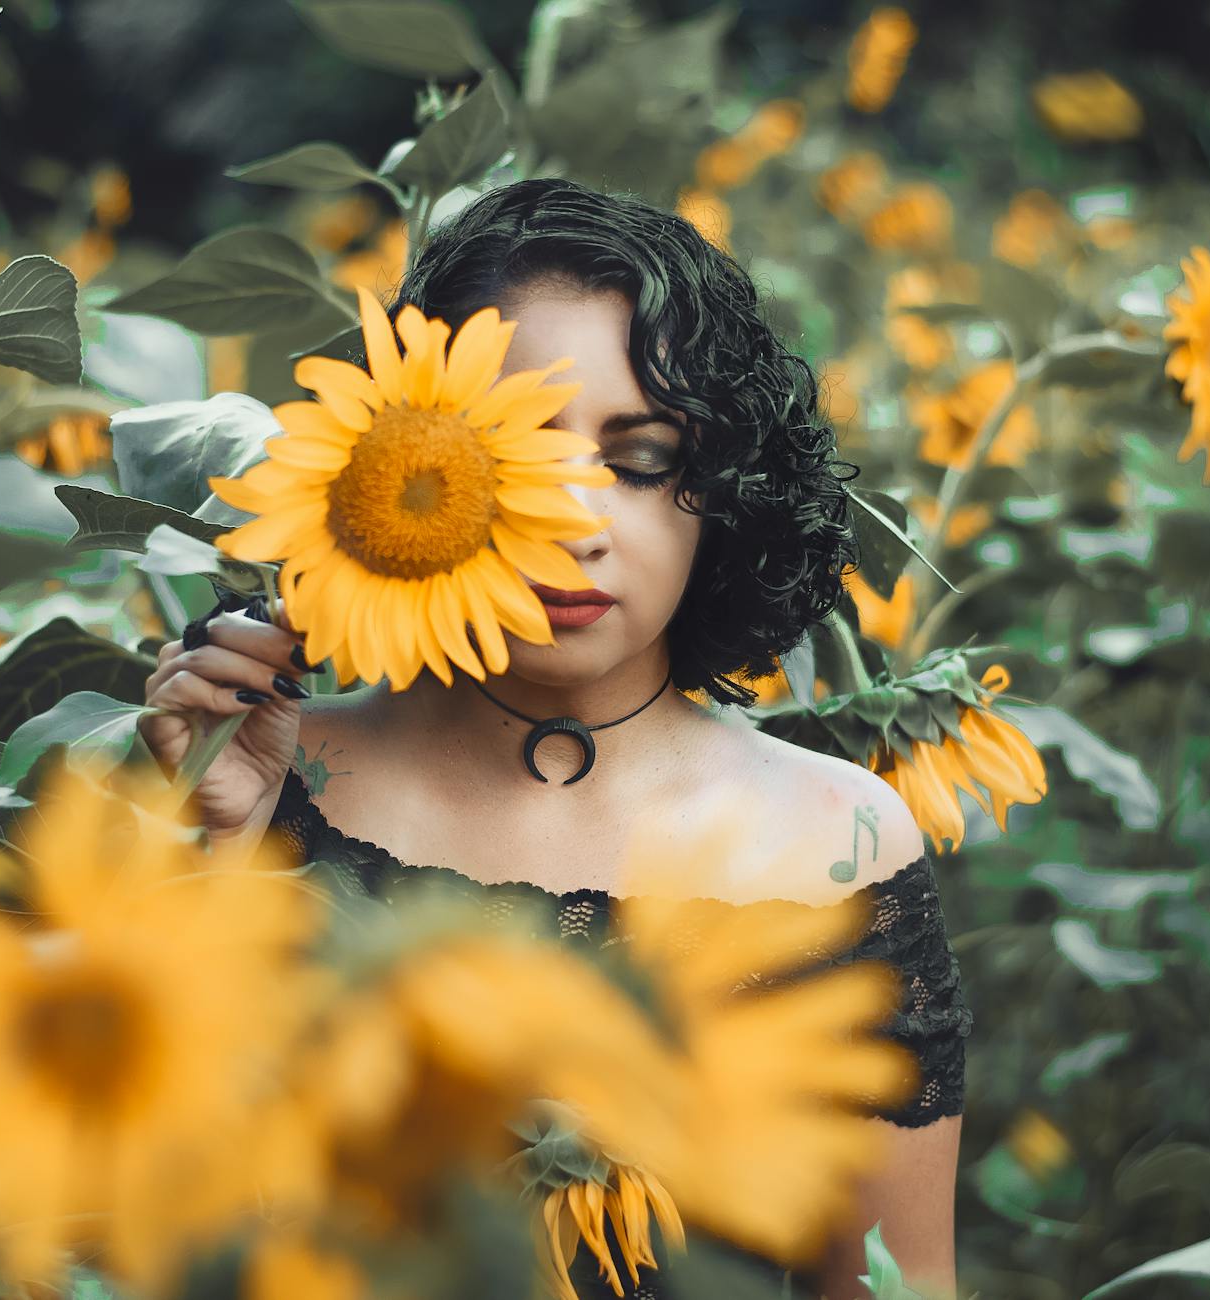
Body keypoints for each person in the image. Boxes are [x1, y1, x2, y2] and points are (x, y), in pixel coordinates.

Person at [139, 177, 971, 1299]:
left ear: (721, 489)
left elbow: (891, 1281)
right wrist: (210, 852)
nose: (570, 524)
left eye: (640, 461)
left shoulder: (834, 839)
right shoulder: (280, 782)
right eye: (513, 458)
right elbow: (140, 1226)